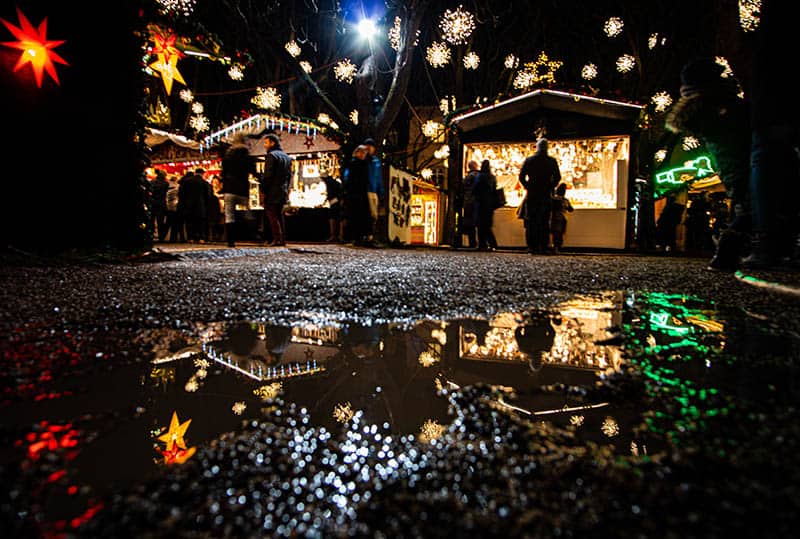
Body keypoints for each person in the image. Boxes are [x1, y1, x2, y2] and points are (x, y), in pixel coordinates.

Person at [665, 57, 751, 270]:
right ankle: (729, 252)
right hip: (742, 163)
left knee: (747, 207)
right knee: (750, 208)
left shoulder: (699, 112)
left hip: (731, 166)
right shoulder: (723, 108)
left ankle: (731, 252)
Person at [743, 0, 800, 268]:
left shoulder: (770, 29)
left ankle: (768, 242)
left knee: (767, 163)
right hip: (772, 102)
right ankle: (775, 240)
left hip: (770, 105)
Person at [519, 138, 561, 254]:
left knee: (532, 220)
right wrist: (551, 186)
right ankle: (543, 245)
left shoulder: (529, 160)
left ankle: (532, 246)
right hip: (545, 194)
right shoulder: (551, 161)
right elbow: (557, 177)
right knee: (544, 221)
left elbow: (522, 176)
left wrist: (528, 186)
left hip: (532, 194)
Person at [220, 134, 256, 247]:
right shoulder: (248, 156)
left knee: (229, 215)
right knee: (247, 212)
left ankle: (230, 240)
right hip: (242, 189)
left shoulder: (227, 156)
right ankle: (253, 233)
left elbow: (223, 173)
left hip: (229, 189)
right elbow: (253, 172)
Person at [260, 133, 292, 246]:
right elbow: (289, 176)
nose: (265, 145)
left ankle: (277, 238)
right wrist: (287, 189)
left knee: (272, 215)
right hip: (282, 190)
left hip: (272, 191)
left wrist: (263, 191)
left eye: (266, 142)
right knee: (279, 215)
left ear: (272, 143)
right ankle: (282, 239)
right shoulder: (286, 157)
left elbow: (268, 176)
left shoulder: (271, 156)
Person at [342, 145, 371, 245]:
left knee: (358, 216)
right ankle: (356, 237)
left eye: (365, 153)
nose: (364, 155)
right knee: (356, 216)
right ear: (358, 153)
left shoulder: (361, 164)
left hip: (358, 193)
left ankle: (358, 237)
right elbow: (348, 178)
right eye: (362, 153)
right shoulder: (354, 164)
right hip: (356, 193)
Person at [178, 168, 211, 243]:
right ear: (202, 173)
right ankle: (201, 238)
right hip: (200, 205)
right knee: (200, 222)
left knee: (189, 221)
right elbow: (208, 195)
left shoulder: (187, 182)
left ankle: (190, 238)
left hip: (189, 205)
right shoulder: (204, 182)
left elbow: (181, 193)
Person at [473, 159, 498, 251]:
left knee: (480, 225)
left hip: (480, 203)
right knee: (487, 225)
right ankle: (492, 243)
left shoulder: (479, 176)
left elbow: (475, 189)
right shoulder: (492, 177)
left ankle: (483, 244)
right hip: (489, 203)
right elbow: (494, 189)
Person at [362, 138, 384, 244]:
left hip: (373, 190)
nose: (369, 148)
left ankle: (370, 235)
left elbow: (378, 177)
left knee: (374, 214)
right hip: (366, 190)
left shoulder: (376, 162)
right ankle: (368, 235)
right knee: (368, 214)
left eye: (371, 146)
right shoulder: (363, 161)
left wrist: (380, 190)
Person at [456, 160, 479, 248]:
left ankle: (472, 242)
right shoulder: (477, 176)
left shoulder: (468, 177)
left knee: (470, 224)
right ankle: (481, 243)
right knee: (479, 223)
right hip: (476, 202)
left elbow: (463, 190)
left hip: (468, 202)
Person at [550, 183, 574, 254]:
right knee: (560, 233)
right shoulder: (565, 200)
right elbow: (571, 209)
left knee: (555, 233)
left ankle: (555, 247)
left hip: (554, 218)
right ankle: (558, 247)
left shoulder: (553, 199)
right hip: (563, 218)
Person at [322, 168, 344, 242]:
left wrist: (328, 200)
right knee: (338, 218)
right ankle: (339, 236)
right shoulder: (335, 183)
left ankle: (334, 235)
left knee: (334, 218)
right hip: (336, 201)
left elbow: (332, 194)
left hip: (335, 202)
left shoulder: (329, 183)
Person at [149, 169, 169, 242]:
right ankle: (161, 237)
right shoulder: (165, 183)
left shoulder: (152, 182)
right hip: (161, 203)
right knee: (160, 221)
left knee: (151, 220)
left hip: (152, 203)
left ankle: (151, 235)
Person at [164, 174, 185, 242]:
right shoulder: (178, 187)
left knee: (169, 223)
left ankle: (166, 237)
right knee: (178, 223)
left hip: (169, 207)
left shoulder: (167, 186)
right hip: (176, 206)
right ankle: (180, 238)